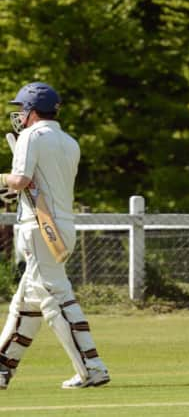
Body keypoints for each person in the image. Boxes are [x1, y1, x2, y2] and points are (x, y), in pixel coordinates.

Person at [0, 82, 110, 389]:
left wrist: (1, 180)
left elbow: (20, 180)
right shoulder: (69, 141)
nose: (19, 115)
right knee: (26, 304)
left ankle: (92, 366)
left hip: (40, 228)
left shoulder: (30, 136)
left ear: (33, 111)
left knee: (56, 297)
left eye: (22, 109)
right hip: (62, 224)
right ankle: (3, 367)